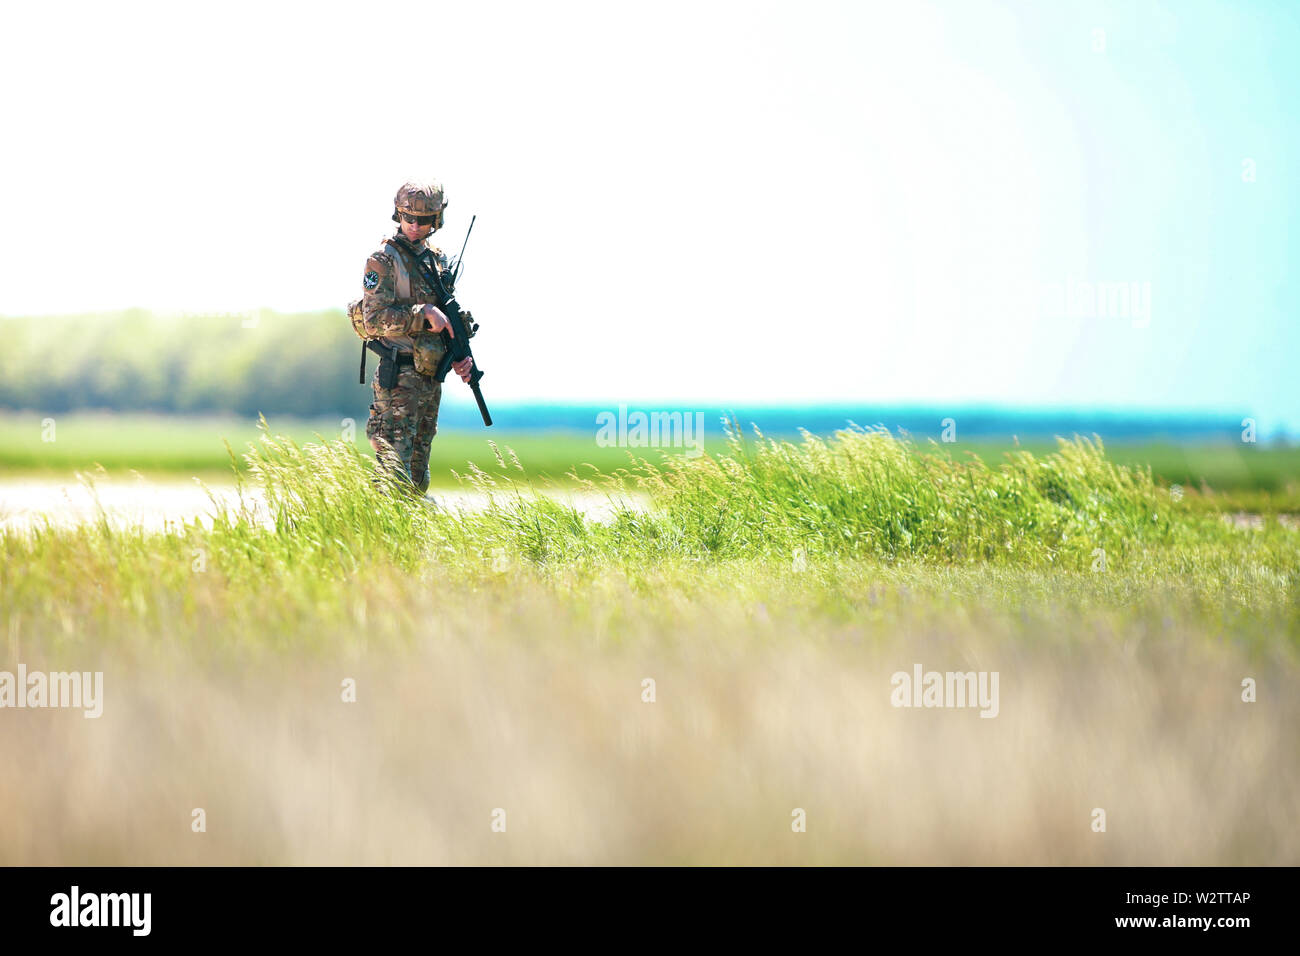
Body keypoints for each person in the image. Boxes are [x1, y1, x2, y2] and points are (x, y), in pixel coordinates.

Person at [359, 180, 476, 496]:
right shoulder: (382, 260)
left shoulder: (436, 261)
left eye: (423, 220)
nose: (413, 225)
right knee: (393, 468)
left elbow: (446, 320)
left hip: (428, 378)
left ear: (436, 220)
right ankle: (378, 536)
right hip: (398, 376)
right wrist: (421, 313)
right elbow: (373, 320)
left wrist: (459, 357)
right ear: (398, 215)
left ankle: (408, 538)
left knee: (418, 474)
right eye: (407, 217)